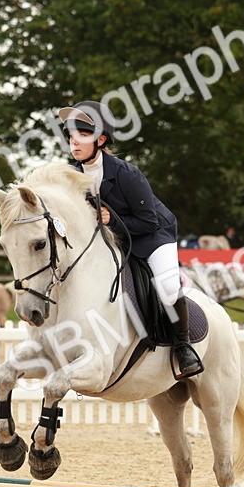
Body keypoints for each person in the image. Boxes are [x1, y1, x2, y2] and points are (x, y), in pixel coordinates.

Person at [58, 100, 202, 379]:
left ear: (100, 140)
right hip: (112, 240)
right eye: (71, 136)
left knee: (169, 287)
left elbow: (148, 220)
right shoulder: (72, 175)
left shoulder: (126, 174)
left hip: (153, 235)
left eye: (82, 135)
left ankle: (183, 347)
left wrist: (112, 220)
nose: (74, 142)